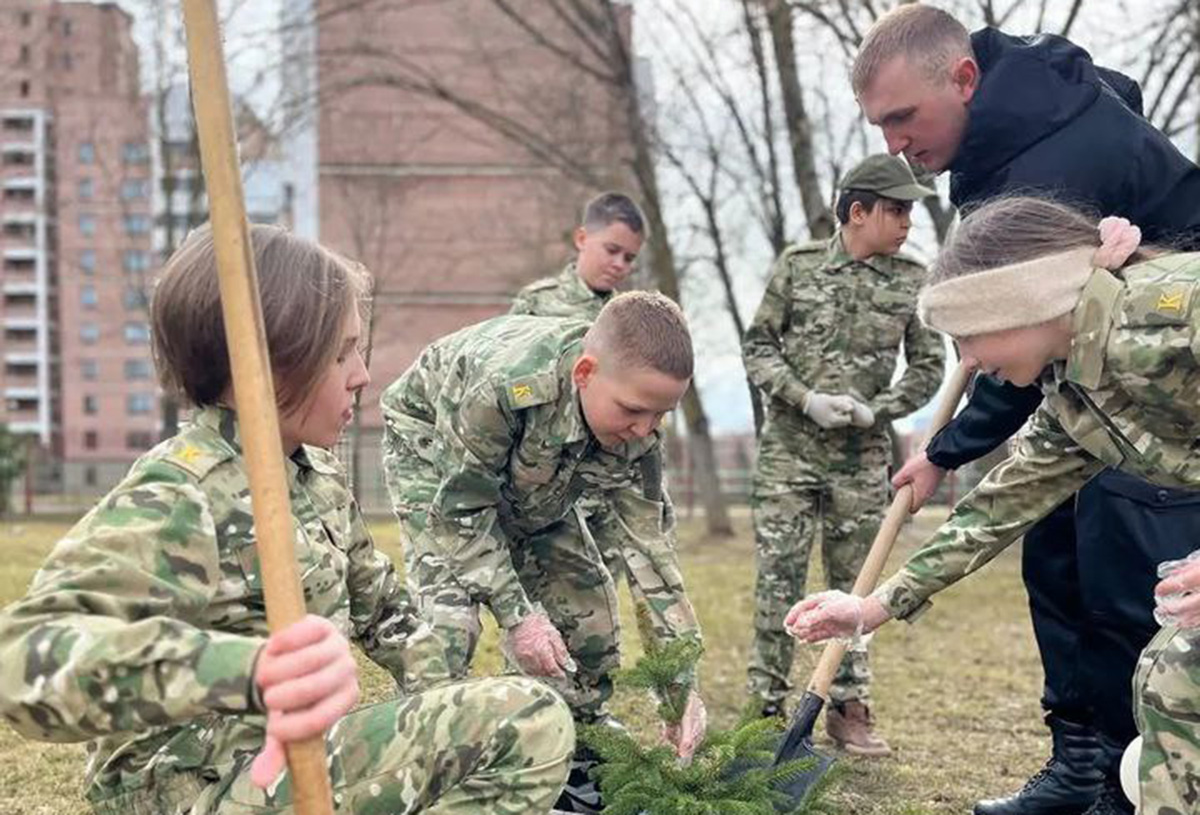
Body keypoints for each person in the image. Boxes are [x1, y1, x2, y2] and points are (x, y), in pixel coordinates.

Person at [0, 224, 575, 815]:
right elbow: (22, 659)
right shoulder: (184, 490)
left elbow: (385, 613)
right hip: (201, 790)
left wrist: (447, 713)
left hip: (288, 763)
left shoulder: (315, 475)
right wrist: (243, 671)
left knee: (516, 719)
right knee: (531, 721)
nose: (362, 374)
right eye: (342, 352)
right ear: (274, 366)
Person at [851, 6, 1200, 812]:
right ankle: (1092, 764)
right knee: (1054, 549)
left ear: (964, 79)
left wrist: (951, 442)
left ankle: (1123, 776)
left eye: (903, 116)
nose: (894, 144)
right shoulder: (1005, 145)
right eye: (880, 125)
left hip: (1156, 387)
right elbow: (1013, 474)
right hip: (1094, 374)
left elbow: (1012, 352)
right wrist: (878, 599)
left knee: (1132, 595)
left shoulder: (1064, 164)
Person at [785, 196, 1200, 815]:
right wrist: (872, 606)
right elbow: (998, 506)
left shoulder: (1169, 315)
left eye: (969, 338)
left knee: (1177, 676)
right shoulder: (1073, 390)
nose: (971, 364)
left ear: (1023, 304)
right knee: (1172, 677)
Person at [380, 291, 706, 814]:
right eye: (633, 411)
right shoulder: (501, 386)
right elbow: (462, 511)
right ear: (584, 372)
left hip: (538, 471)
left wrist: (681, 689)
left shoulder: (637, 431)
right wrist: (518, 616)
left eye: (660, 415)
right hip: (435, 458)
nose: (644, 430)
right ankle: (426, 758)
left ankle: (574, 738)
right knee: (449, 629)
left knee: (588, 606)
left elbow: (652, 557)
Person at [742, 153, 943, 756]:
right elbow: (758, 347)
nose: (908, 221)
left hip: (859, 460)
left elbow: (932, 365)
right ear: (858, 212)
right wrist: (804, 399)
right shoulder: (798, 268)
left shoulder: (912, 279)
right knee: (778, 577)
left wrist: (875, 408)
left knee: (854, 586)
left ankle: (849, 708)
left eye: (911, 210)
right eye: (897, 209)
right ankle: (764, 708)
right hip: (789, 455)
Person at [510, 191, 645, 320]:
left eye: (629, 258)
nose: (619, 264)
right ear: (582, 239)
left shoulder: (628, 316)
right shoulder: (536, 303)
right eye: (611, 250)